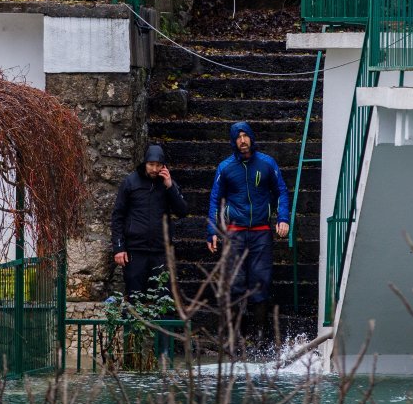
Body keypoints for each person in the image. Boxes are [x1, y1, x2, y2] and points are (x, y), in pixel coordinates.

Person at [207, 121, 289, 340]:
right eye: (238, 137)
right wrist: (212, 231)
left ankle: (260, 339)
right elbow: (215, 199)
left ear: (252, 137)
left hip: (261, 232)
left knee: (261, 283)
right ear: (233, 141)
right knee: (234, 284)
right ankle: (235, 339)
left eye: (245, 136)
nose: (242, 141)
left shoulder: (267, 163)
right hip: (235, 233)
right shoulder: (225, 168)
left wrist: (283, 218)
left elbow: (281, 190)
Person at [111, 144, 189, 298]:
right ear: (145, 163)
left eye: (158, 165)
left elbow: (182, 212)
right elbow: (118, 215)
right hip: (135, 249)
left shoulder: (168, 183)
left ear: (163, 166)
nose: (154, 169)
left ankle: (161, 323)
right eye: (151, 165)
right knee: (135, 296)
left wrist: (170, 187)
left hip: (160, 250)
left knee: (164, 297)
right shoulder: (130, 182)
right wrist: (119, 248)